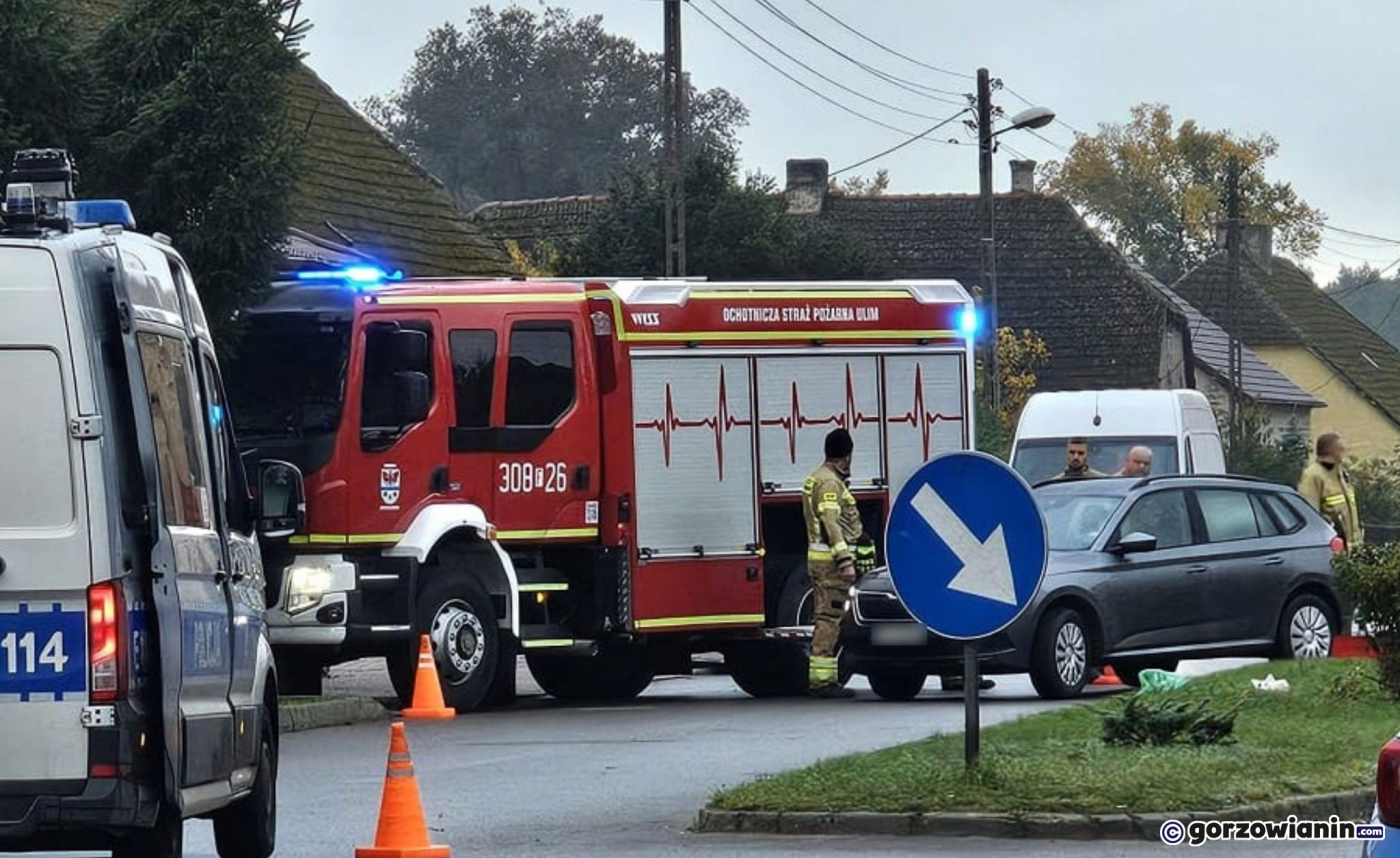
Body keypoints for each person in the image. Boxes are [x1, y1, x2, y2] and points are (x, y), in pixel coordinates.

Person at [801, 429, 864, 698]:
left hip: (821, 562)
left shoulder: (817, 477)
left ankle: (824, 678)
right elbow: (831, 524)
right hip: (830, 565)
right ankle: (823, 682)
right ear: (846, 456)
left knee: (828, 616)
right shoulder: (829, 483)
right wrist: (845, 560)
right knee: (829, 618)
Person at [1298, 433, 1363, 550]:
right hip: (1332, 547)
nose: (1344, 452)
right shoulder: (1313, 475)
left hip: (1353, 548)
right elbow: (1310, 514)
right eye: (1340, 449)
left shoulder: (1340, 474)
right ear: (1330, 451)